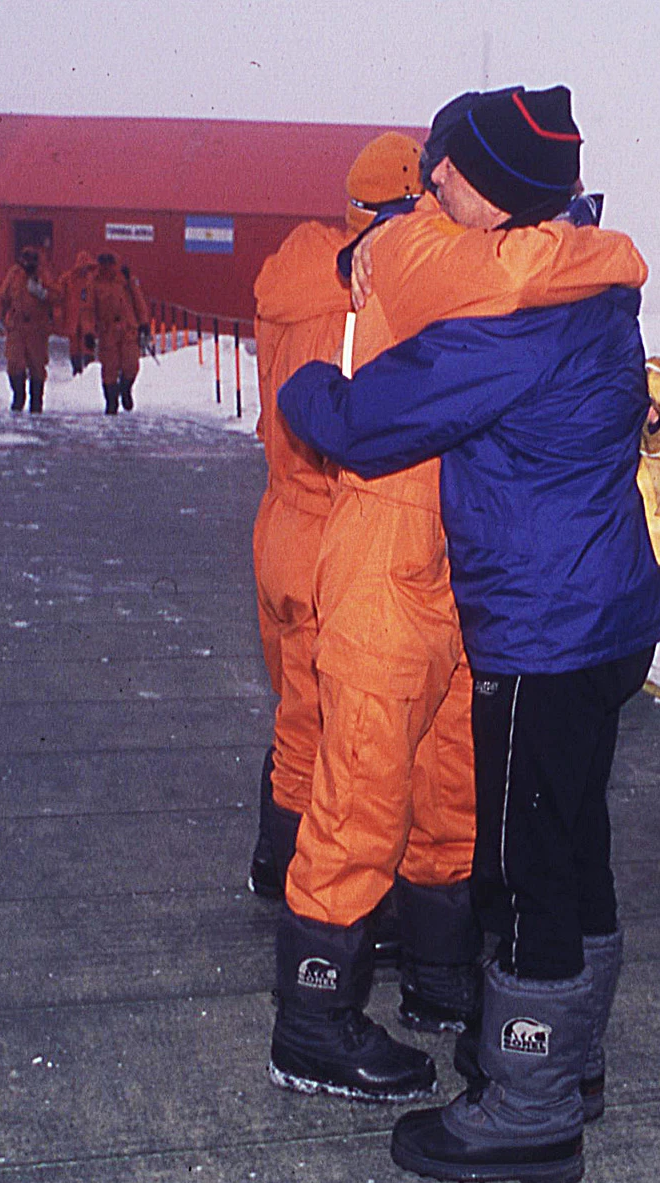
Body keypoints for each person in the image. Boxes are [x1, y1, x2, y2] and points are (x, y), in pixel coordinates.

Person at [282, 84, 660, 1183]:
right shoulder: (581, 276)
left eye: (451, 172)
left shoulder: (514, 320)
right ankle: (571, 1062)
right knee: (574, 845)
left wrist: (309, 380)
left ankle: (528, 1110)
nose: (434, 186)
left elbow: (365, 423)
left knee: (525, 869)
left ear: (496, 194)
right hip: (606, 612)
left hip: (543, 631)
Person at [247, 131, 424, 899]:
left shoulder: (296, 274)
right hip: (330, 533)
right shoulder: (368, 300)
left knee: (297, 714)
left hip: (280, 523)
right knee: (328, 736)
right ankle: (307, 891)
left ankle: (272, 862)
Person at [0, 246, 56, 412]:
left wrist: (43, 293)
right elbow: (2, 298)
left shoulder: (44, 274)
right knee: (14, 364)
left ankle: (36, 403)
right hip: (17, 327)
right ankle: (18, 398)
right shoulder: (14, 274)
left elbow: (57, 297)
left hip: (37, 329)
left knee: (37, 367)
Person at [88, 252, 143, 414]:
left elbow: (138, 302)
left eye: (109, 261)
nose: (106, 265)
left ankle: (125, 389)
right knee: (109, 369)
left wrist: (144, 323)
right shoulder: (94, 283)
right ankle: (111, 403)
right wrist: (89, 332)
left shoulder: (125, 280)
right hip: (108, 332)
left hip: (128, 329)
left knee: (131, 364)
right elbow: (88, 310)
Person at [58, 251, 95, 377]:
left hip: (87, 318)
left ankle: (89, 373)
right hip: (73, 318)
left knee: (87, 345)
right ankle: (77, 372)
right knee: (74, 347)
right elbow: (59, 297)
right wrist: (59, 315)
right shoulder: (68, 279)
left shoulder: (92, 280)